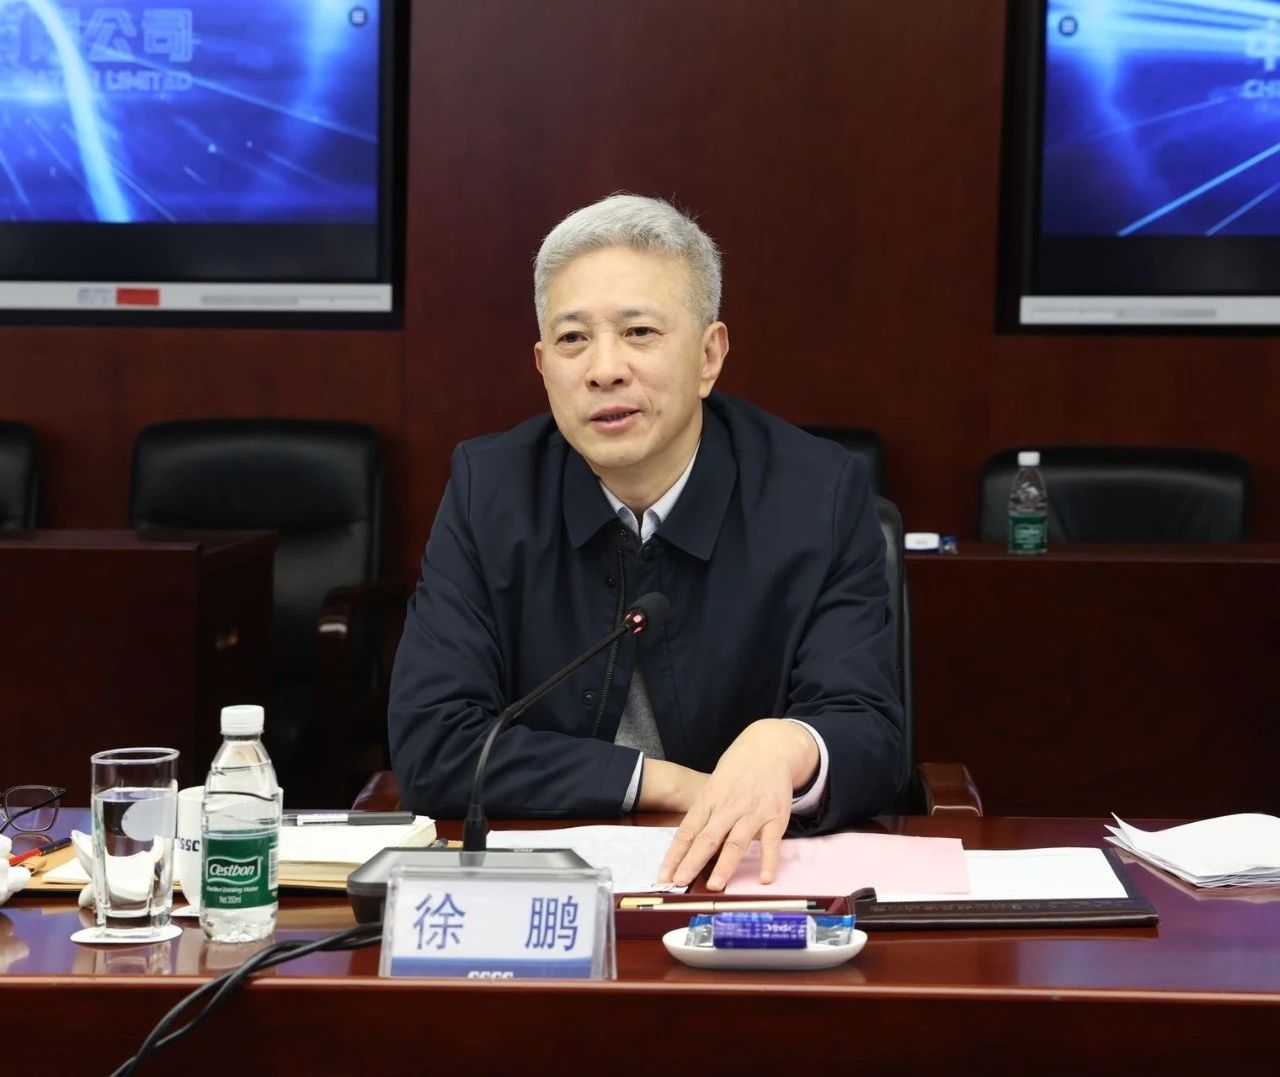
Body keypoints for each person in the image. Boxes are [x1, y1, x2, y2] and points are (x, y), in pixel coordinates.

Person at [389, 194, 903, 890]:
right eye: (573, 339)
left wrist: (788, 747)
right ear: (542, 365)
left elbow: (870, 730)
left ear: (709, 356)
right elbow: (435, 742)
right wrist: (671, 784)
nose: (604, 369)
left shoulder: (819, 496)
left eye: (639, 332)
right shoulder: (491, 492)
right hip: (547, 887)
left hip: (751, 886)